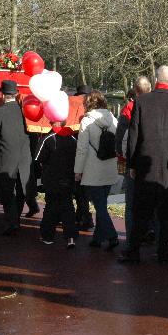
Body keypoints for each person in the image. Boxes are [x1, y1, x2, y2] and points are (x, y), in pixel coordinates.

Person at [121, 66, 168, 264]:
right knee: (166, 214)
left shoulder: (142, 101)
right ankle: (163, 254)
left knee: (141, 212)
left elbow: (134, 135)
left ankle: (134, 252)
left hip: (146, 165)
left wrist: (132, 164)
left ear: (155, 80)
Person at [0, 80, 34, 236]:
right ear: (17, 94)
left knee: (7, 191)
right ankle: (15, 219)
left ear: (2, 94)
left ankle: (12, 221)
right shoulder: (25, 112)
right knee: (21, 190)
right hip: (25, 157)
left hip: (5, 157)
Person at [74, 90, 119, 250]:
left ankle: (112, 235)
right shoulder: (113, 119)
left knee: (99, 206)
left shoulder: (86, 121)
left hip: (93, 168)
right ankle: (98, 238)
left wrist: (78, 170)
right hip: (110, 166)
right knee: (102, 203)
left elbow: (81, 149)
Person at [115, 76, 152, 251]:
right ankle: (149, 230)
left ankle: (131, 240)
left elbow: (120, 137)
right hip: (152, 162)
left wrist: (122, 157)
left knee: (131, 203)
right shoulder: (156, 107)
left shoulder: (129, 109)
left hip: (133, 162)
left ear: (135, 91)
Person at [36, 121, 78, 248]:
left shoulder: (48, 138)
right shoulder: (73, 139)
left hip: (52, 179)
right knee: (68, 207)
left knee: (51, 207)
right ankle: (71, 237)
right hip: (68, 178)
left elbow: (39, 158)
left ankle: (47, 236)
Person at [73, 84, 93, 230]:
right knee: (84, 190)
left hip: (78, 152)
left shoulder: (74, 107)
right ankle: (82, 215)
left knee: (80, 189)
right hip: (93, 156)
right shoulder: (93, 109)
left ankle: (84, 216)